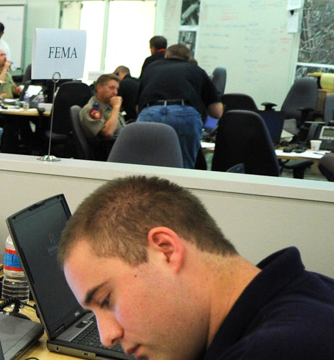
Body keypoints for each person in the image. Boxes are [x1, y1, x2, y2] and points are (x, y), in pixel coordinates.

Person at [59, 175, 334, 360]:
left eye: (106, 300)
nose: (107, 337)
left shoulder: (280, 349)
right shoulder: (305, 294)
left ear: (165, 251)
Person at [137, 44, 221, 169]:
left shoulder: (151, 68)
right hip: (184, 115)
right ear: (188, 59)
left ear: (166, 56)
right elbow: (217, 112)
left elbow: (138, 108)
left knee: (144, 167)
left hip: (150, 114)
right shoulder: (196, 70)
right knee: (183, 168)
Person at [79, 74, 125, 141]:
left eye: (117, 89)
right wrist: (116, 107)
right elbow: (107, 132)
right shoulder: (91, 109)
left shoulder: (109, 106)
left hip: (123, 143)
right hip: (110, 148)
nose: (115, 92)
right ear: (99, 88)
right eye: (111, 88)